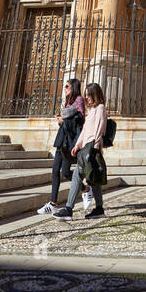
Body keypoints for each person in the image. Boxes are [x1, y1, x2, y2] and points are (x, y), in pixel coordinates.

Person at [36, 78, 95, 215]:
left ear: (73, 87)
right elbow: (68, 120)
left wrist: (64, 120)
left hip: (70, 142)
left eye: (67, 86)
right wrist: (62, 122)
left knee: (66, 172)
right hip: (62, 140)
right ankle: (53, 203)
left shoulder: (79, 100)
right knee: (55, 170)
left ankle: (85, 189)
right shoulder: (69, 103)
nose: (65, 88)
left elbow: (78, 121)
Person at [53, 83, 107, 219]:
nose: (87, 97)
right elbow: (84, 131)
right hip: (86, 148)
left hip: (92, 149)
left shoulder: (100, 108)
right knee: (93, 178)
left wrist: (93, 149)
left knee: (78, 175)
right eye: (86, 95)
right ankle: (99, 208)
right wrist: (77, 145)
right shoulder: (92, 111)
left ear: (95, 94)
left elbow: (99, 130)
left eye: (89, 94)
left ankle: (68, 209)